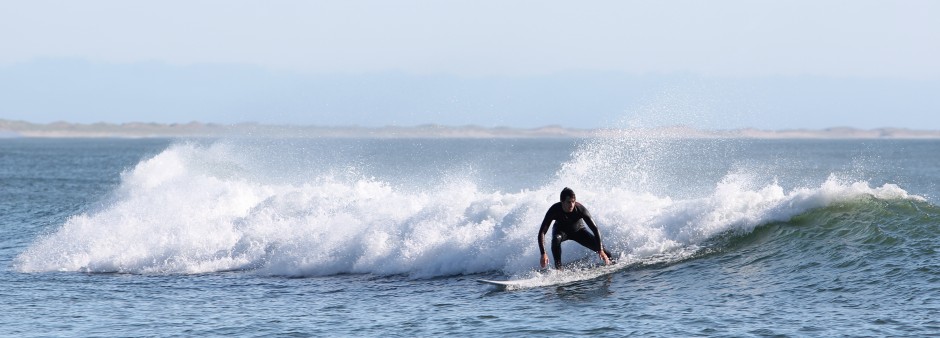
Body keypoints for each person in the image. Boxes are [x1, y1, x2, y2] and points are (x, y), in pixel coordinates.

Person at [537, 187, 612, 269]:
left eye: (573, 201)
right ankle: (559, 269)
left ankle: (612, 264)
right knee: (556, 239)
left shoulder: (580, 209)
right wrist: (543, 253)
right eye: (568, 202)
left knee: (606, 253)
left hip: (579, 231)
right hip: (561, 232)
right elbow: (542, 232)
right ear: (562, 201)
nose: (571, 205)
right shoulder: (554, 210)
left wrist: (600, 250)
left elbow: (595, 229)